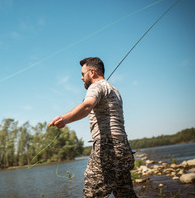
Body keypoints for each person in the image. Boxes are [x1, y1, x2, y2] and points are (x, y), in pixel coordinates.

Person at [49, 57, 137, 198]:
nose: (81, 78)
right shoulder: (114, 90)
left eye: (83, 74)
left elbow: (87, 105)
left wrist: (65, 119)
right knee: (125, 194)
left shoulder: (96, 87)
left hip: (107, 147)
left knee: (92, 194)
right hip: (123, 148)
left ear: (92, 72)